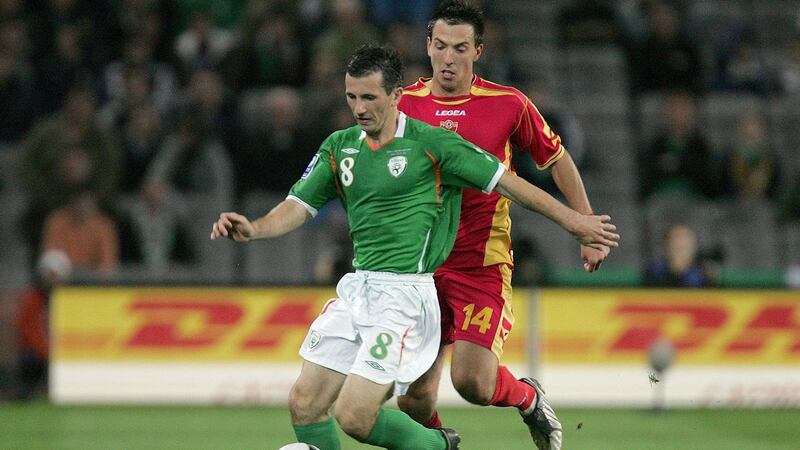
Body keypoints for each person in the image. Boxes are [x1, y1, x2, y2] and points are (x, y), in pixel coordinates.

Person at [211, 44, 619, 450]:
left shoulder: (434, 145)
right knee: (304, 402)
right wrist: (254, 227)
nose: (359, 108)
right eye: (351, 97)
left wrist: (576, 222)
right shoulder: (340, 146)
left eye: (369, 97)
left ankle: (440, 445)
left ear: (396, 96)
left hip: (405, 299)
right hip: (359, 289)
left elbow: (512, 184)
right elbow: (298, 206)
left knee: (354, 415)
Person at [395, 2, 612, 449]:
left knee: (472, 382)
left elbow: (556, 158)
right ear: (428, 47)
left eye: (460, 48)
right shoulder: (404, 106)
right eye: (440, 47)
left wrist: (586, 225)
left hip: (480, 263)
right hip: (419, 269)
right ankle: (442, 444)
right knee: (413, 397)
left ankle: (529, 398)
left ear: (478, 51)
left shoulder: (508, 104)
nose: (448, 58)